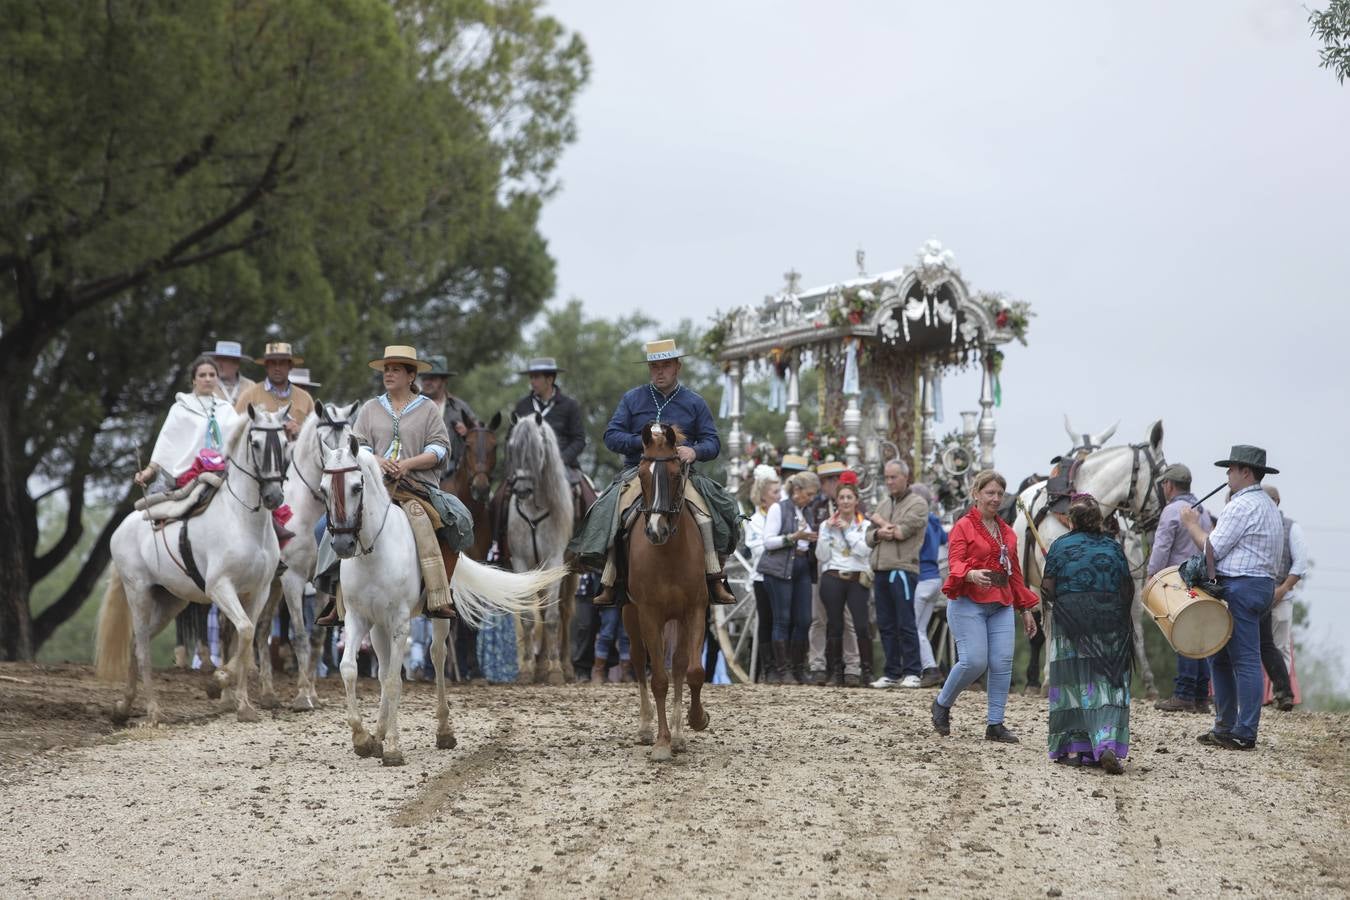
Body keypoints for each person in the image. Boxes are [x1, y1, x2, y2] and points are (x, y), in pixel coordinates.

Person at [571, 339, 739, 607]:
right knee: (613, 512)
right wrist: (644, 442)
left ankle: (714, 577)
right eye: (654, 367)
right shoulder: (632, 398)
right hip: (639, 472)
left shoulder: (694, 402)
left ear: (677, 367)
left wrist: (694, 451)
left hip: (680, 474)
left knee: (709, 515)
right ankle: (609, 579)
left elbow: (713, 442)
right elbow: (611, 436)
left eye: (666, 366)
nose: (660, 372)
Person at [315, 345, 474, 625]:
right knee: (322, 527)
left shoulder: (427, 409)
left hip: (415, 487)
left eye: (396, 370)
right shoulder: (370, 408)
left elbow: (440, 448)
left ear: (411, 376)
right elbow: (357, 446)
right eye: (386, 370)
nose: (388, 374)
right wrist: (377, 460)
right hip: (372, 489)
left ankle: (438, 595)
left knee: (449, 522)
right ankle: (337, 596)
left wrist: (408, 464)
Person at [134, 356, 244, 672]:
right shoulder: (181, 408)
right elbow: (167, 443)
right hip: (189, 474)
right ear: (193, 379)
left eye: (212, 374)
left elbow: (239, 440)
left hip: (224, 475)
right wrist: (150, 471)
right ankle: (165, 554)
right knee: (170, 508)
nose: (208, 379)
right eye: (202, 374)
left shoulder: (226, 410)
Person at [1179, 445, 1283, 751]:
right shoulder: (1267, 505)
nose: (1227, 473)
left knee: (1245, 659)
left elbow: (1212, 549)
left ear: (1245, 472)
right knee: (1220, 655)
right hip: (1260, 586)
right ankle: (1225, 727)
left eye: (1232, 468)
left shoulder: (1241, 505)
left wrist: (1191, 525)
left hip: (1241, 587)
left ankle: (1243, 732)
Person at [931, 470, 1040, 742]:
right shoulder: (963, 526)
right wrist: (970, 574)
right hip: (967, 602)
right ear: (976, 494)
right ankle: (942, 703)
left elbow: (1015, 574)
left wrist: (1025, 609)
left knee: (1002, 662)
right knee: (974, 661)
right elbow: (955, 562)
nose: (995, 498)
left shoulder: (1008, 533)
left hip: (1000, 603)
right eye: (990, 493)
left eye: (1000, 494)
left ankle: (995, 724)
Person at [1043, 494, 1136, 774]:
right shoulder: (1113, 547)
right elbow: (1127, 588)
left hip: (1071, 622)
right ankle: (1105, 742)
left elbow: (1048, 589)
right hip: (1110, 621)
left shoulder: (1060, 545)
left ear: (1071, 520)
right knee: (1107, 683)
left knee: (1073, 683)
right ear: (1099, 520)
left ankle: (1075, 747)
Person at [1148, 464, 1215, 713]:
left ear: (1169, 485)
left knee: (1183, 634)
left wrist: (1152, 574)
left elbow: (1162, 546)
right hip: (1200, 579)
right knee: (1200, 637)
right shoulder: (1203, 511)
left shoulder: (1171, 511)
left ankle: (1184, 693)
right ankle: (1201, 696)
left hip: (1177, 580)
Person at [867, 460, 929, 689]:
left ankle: (912, 671)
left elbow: (901, 532)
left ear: (906, 477)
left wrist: (880, 523)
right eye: (887, 477)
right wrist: (878, 533)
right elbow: (868, 537)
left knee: (906, 622)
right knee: (885, 624)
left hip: (902, 570)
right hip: (880, 569)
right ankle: (891, 672)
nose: (889, 482)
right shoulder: (884, 503)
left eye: (893, 477)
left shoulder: (918, 504)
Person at [756, 471, 820, 683]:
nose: (811, 498)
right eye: (809, 494)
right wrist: (794, 537)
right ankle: (783, 670)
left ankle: (798, 667)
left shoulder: (806, 511)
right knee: (782, 619)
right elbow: (768, 542)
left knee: (804, 619)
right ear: (797, 490)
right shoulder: (778, 508)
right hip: (779, 568)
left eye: (813, 495)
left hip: (802, 566)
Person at [807, 459, 861, 685]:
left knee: (847, 619)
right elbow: (812, 537)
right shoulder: (816, 508)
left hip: (847, 568)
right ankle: (817, 665)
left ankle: (852, 666)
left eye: (836, 478)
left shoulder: (856, 508)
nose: (832, 483)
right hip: (821, 567)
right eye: (827, 480)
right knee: (818, 618)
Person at [815, 482, 874, 687]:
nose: (846, 501)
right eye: (842, 497)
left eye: (849, 497)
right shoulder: (826, 525)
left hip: (857, 578)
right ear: (836, 501)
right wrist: (826, 532)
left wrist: (848, 530)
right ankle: (835, 672)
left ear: (856, 501)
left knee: (861, 625)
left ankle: (866, 671)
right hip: (833, 576)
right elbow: (821, 556)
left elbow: (863, 551)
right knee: (835, 625)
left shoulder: (865, 525)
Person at [1261, 485, 1304, 711]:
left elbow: (1300, 563)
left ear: (1276, 501)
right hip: (1259, 593)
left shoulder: (1291, 527)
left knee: (1280, 646)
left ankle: (1280, 695)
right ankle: (1268, 695)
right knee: (1263, 646)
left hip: (1282, 596)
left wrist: (1283, 589)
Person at [743, 465, 782, 683]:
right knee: (767, 620)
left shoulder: (783, 515)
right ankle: (768, 667)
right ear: (763, 497)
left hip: (782, 576)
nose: (779, 496)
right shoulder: (755, 520)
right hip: (763, 577)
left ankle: (782, 664)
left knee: (782, 620)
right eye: (775, 493)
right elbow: (758, 549)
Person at [233, 342, 315, 439]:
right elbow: (235, 431)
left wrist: (300, 430)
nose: (277, 368)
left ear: (290, 366)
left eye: (282, 363)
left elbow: (316, 433)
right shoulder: (249, 396)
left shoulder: (305, 398)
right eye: (273, 363)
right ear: (266, 366)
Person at [911, 483, 947, 688]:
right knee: (921, 629)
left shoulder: (919, 522)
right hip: (935, 579)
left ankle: (929, 668)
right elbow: (944, 539)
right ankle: (928, 668)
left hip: (922, 578)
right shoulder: (934, 520)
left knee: (913, 628)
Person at [418, 355, 476, 477]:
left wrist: (467, 432)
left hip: (453, 474)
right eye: (424, 378)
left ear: (444, 380)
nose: (427, 382)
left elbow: (477, 436)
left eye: (432, 378)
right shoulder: (410, 406)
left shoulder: (460, 407)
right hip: (417, 471)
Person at [208, 340, 256, 405]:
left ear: (236, 363)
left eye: (224, 360)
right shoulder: (207, 384)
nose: (219, 364)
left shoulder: (250, 386)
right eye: (217, 360)